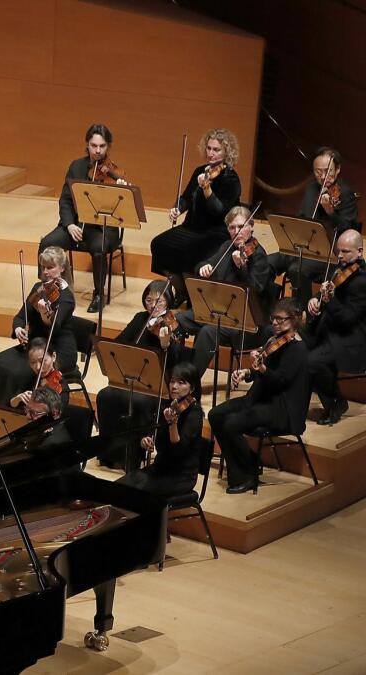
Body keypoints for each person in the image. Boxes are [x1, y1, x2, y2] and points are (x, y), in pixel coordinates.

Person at [209, 298, 310, 494]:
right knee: (215, 414)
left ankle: (246, 476)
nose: (275, 323)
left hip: (281, 408)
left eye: (281, 320)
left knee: (232, 424)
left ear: (295, 320)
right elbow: (261, 371)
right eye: (274, 318)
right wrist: (247, 372)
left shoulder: (298, 349)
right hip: (260, 398)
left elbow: (280, 381)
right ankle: (250, 461)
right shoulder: (274, 341)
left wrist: (263, 368)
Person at [93, 280, 188, 468]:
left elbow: (177, 362)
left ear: (168, 302)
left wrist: (165, 344)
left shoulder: (174, 326)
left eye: (159, 301)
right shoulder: (139, 319)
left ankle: (134, 457)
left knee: (139, 402)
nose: (153, 305)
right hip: (132, 380)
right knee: (105, 396)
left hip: (157, 387)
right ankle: (110, 454)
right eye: (148, 300)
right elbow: (119, 342)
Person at [173, 205, 272, 380]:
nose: (237, 231)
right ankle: (176, 370)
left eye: (241, 226)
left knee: (208, 332)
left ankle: (189, 383)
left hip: (243, 319)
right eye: (232, 227)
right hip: (217, 310)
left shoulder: (259, 256)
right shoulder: (227, 247)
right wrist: (203, 267)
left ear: (251, 227)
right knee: (178, 320)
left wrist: (242, 268)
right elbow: (203, 264)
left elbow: (255, 293)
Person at [38, 123, 126, 313]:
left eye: (102, 146)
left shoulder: (114, 174)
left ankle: (98, 294)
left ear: (108, 147)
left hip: (101, 228)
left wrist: (122, 190)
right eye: (94, 146)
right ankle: (47, 288)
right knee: (47, 242)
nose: (98, 151)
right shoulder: (76, 167)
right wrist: (69, 224)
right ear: (87, 145)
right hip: (76, 225)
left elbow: (121, 211)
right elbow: (65, 200)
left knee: (99, 248)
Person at [150, 128, 242, 304]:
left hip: (215, 232)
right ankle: (182, 290)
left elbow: (219, 211)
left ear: (227, 152)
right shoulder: (200, 170)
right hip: (191, 227)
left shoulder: (230, 179)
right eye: (209, 148)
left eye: (216, 150)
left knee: (191, 251)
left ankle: (195, 298)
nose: (211, 153)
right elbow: (186, 197)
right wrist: (177, 208)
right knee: (159, 244)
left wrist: (207, 189)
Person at [0, 245, 76, 405]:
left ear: (62, 268)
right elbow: (20, 317)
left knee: (18, 373)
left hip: (57, 349)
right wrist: (18, 329)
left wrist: (45, 314)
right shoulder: (39, 290)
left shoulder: (66, 297)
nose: (45, 272)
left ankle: (18, 412)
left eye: (50, 267)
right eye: (43, 267)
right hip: (35, 346)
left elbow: (55, 327)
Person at [268, 147, 361, 304]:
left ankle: (303, 317)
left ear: (337, 170)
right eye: (318, 172)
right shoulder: (311, 189)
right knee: (267, 262)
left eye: (328, 171)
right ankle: (269, 308)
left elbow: (348, 231)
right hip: (302, 247)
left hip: (328, 255)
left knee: (296, 269)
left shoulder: (346, 195)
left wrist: (331, 212)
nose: (323, 177)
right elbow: (301, 219)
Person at [305, 229, 366, 426]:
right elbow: (326, 296)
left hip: (351, 341)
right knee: (295, 342)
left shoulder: (362, 282)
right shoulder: (339, 269)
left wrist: (329, 300)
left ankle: (336, 402)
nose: (340, 256)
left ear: (360, 252)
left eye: (346, 251)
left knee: (312, 361)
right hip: (329, 330)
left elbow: (347, 319)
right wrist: (314, 302)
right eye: (338, 251)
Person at [117, 363, 206, 498]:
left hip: (181, 476)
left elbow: (178, 450)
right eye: (172, 381)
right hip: (160, 468)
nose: (174, 386)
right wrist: (145, 439)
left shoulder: (195, 414)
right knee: (119, 486)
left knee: (135, 494)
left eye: (181, 383)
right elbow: (154, 435)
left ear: (192, 388)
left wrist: (172, 424)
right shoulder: (166, 406)